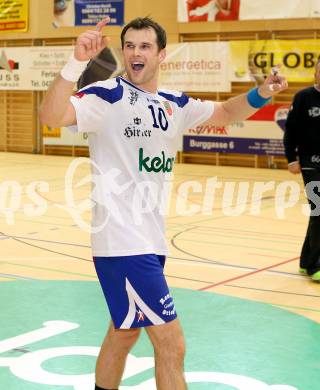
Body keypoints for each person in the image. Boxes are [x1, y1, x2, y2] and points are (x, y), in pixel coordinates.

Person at [39, 16, 287, 390]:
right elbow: (51, 116)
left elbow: (224, 112)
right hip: (123, 244)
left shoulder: (173, 103)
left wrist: (262, 94)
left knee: (124, 334)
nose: (135, 53)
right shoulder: (105, 96)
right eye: (130, 45)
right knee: (171, 344)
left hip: (150, 242)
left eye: (145, 46)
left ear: (161, 54)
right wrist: (75, 64)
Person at [284, 60, 320, 282]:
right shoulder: (303, 97)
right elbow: (291, 130)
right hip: (309, 163)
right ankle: (315, 265)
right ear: (315, 72)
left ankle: (306, 261)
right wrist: (291, 158)